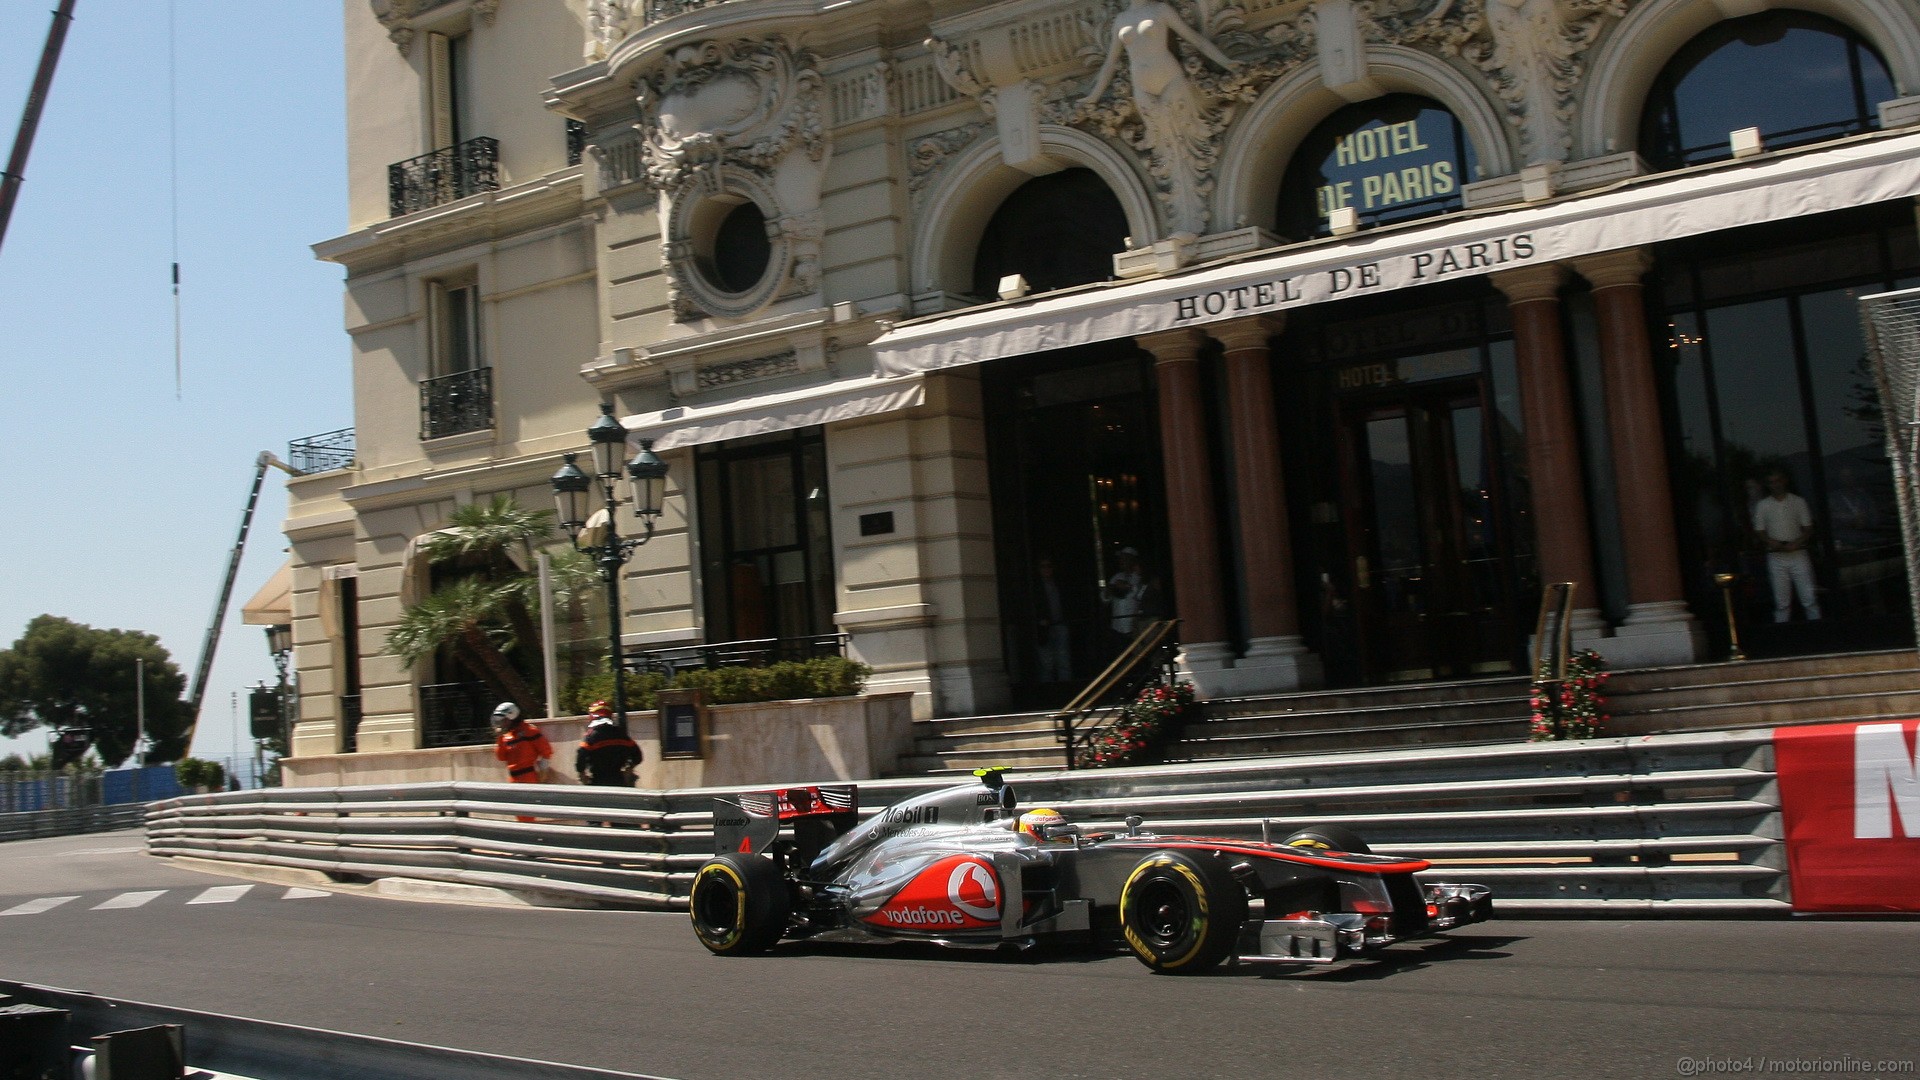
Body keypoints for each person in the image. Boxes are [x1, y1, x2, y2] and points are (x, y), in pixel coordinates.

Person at [1752, 470, 1821, 622]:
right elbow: (1759, 530)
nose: (1776, 484)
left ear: (1784, 481)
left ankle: (1818, 630)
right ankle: (1782, 635)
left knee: (1809, 598)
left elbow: (1808, 528)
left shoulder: (1798, 502)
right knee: (1781, 602)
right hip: (1776, 557)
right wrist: (1772, 542)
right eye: (1772, 482)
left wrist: (1797, 542)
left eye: (1778, 480)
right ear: (1768, 485)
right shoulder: (1763, 505)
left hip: (1798, 555)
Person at [492, 702, 552, 821]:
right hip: (513, 778)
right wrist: (499, 738)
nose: (502, 723)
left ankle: (529, 836)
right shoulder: (506, 736)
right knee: (519, 813)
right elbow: (501, 757)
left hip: (528, 776)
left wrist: (543, 771)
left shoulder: (530, 731)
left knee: (527, 814)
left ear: (512, 717)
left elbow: (546, 751)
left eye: (504, 720)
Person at [576, 701, 642, 787]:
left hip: (598, 781)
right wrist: (629, 769)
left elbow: (581, 756)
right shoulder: (620, 734)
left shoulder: (591, 736)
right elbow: (637, 755)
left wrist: (582, 773)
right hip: (619, 780)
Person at [1034, 557, 1072, 684]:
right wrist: (1039, 620)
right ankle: (1048, 691)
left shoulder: (1058, 584)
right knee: (1046, 663)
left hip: (1060, 624)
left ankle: (1065, 689)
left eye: (1049, 566)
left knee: (1063, 660)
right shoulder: (1035, 587)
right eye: (1043, 566)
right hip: (1044, 627)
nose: (1046, 569)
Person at [1107, 547, 1144, 648]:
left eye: (1125, 559)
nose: (1121, 561)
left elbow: (1137, 593)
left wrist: (1125, 586)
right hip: (1116, 627)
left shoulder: (1138, 577)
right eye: (1121, 559)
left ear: (1132, 561)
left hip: (1132, 628)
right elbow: (1106, 598)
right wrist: (1109, 590)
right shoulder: (1116, 577)